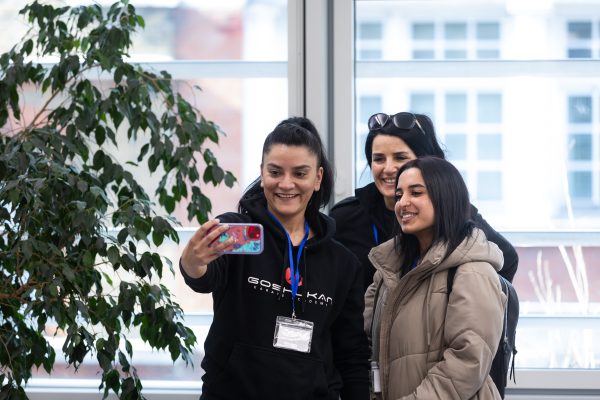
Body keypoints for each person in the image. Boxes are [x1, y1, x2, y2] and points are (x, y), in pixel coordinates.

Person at [180, 117, 370, 400]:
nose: (286, 184)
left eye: (300, 173)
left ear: (317, 179)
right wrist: (192, 263)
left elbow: (351, 354)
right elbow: (204, 277)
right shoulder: (236, 234)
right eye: (276, 172)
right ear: (262, 172)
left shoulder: (341, 263)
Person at [364, 156, 505, 399]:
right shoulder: (387, 272)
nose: (402, 203)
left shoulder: (472, 270)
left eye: (416, 193)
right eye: (399, 195)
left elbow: (468, 360)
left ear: (445, 198)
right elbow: (370, 346)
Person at [329, 112, 518, 291]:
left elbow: (507, 260)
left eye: (400, 157)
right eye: (378, 159)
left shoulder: (453, 212)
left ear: (427, 163)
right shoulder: (346, 217)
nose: (388, 168)